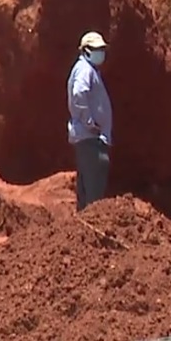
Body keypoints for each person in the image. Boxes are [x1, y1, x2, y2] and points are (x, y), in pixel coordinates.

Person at [66, 31, 113, 211]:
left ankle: (85, 233)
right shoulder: (85, 69)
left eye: (102, 48)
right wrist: (90, 123)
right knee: (94, 197)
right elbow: (79, 93)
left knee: (87, 192)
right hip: (91, 139)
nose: (101, 52)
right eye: (96, 49)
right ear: (86, 50)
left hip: (89, 139)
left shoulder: (88, 70)